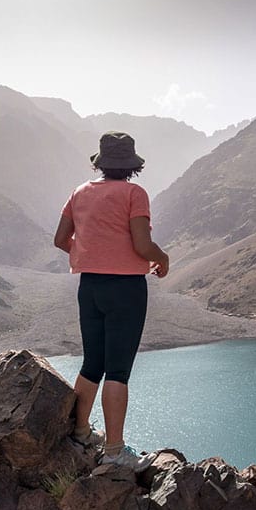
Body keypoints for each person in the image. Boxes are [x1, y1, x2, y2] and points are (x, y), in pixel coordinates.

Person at [53, 130, 169, 467]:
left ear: (101, 163)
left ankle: (80, 431)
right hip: (126, 289)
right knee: (118, 370)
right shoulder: (135, 193)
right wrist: (163, 258)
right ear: (131, 165)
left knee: (92, 363)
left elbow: (61, 238)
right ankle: (115, 453)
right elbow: (141, 245)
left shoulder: (78, 193)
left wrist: (90, 252)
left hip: (89, 286)